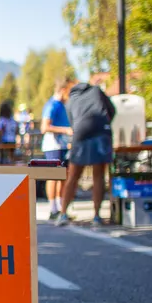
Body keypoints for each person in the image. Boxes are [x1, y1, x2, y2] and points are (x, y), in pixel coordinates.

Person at [58, 82, 116, 227]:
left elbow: (72, 123)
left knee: (73, 175)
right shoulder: (97, 91)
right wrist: (104, 125)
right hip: (101, 131)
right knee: (99, 175)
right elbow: (112, 110)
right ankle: (96, 217)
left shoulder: (71, 100)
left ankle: (63, 214)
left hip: (81, 133)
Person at [40, 78, 73, 220]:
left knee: (63, 176)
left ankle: (61, 208)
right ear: (63, 90)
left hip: (64, 145)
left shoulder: (63, 105)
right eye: (70, 91)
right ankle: (53, 208)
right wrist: (65, 130)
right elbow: (44, 127)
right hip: (53, 146)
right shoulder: (52, 105)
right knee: (53, 176)